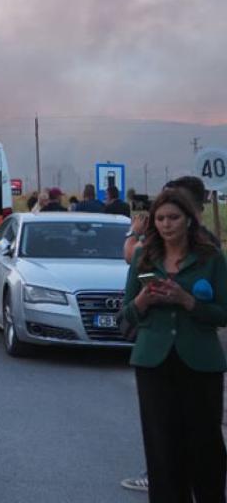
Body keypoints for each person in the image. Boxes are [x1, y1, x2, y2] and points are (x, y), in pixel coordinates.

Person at [120, 187, 227, 501]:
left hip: (200, 363)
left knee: (205, 446)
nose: (166, 224)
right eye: (161, 218)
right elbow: (126, 315)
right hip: (153, 363)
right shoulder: (143, 256)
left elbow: (223, 313)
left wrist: (188, 301)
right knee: (162, 448)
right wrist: (142, 300)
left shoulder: (211, 258)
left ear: (189, 220)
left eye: (174, 218)